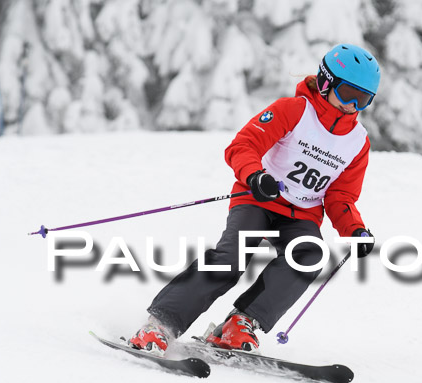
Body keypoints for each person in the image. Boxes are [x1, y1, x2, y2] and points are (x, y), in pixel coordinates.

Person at [128, 44, 381, 354]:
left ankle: (239, 324)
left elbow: (341, 196)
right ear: (326, 83)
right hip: (259, 198)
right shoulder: (294, 110)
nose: (352, 105)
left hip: (302, 214)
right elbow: (243, 146)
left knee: (308, 256)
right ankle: (160, 324)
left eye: (363, 99)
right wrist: (255, 176)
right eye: (347, 94)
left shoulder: (358, 142)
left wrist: (354, 229)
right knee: (231, 258)